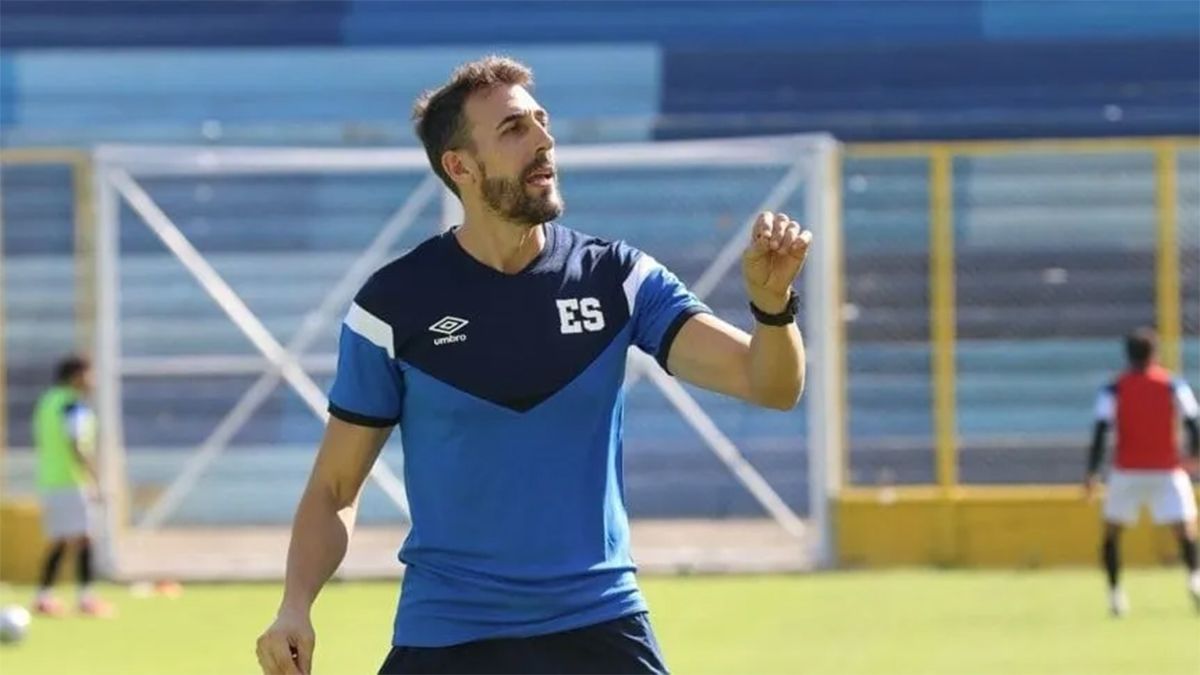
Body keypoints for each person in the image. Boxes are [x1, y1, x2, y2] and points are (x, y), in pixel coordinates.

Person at [257, 56, 810, 675]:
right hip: (448, 633)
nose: (545, 141)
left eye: (542, 123)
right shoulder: (392, 305)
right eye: (515, 130)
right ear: (461, 167)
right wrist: (294, 606)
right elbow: (334, 488)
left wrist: (772, 308)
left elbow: (771, 384)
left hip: (598, 624)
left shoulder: (618, 279)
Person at [1085, 328, 1200, 617]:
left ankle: (1115, 595)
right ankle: (1195, 580)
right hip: (1167, 469)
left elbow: (1100, 430)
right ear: (1155, 353)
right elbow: (1193, 420)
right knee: (1185, 529)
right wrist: (1195, 454)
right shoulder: (1172, 384)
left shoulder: (1114, 388)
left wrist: (1092, 472)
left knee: (1112, 533)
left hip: (1127, 471)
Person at [31, 354, 113, 617]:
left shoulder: (47, 401)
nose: (94, 380)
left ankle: (44, 596)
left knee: (61, 540)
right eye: (90, 374)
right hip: (72, 480)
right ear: (76, 375)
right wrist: (95, 478)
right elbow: (77, 443)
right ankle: (86, 598)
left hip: (51, 479)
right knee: (83, 538)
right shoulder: (72, 405)